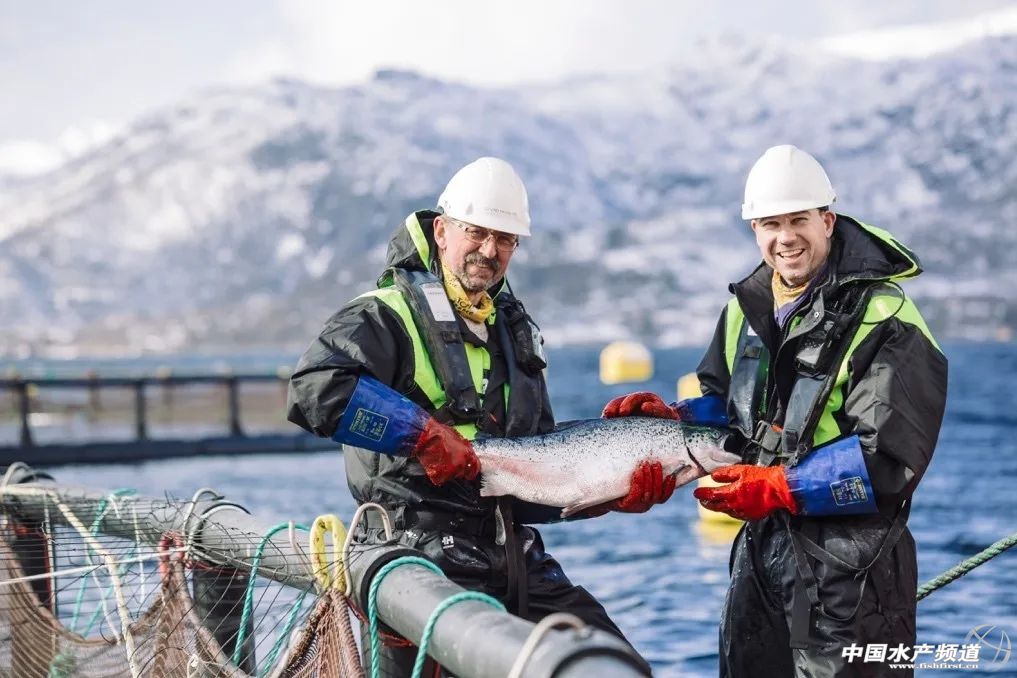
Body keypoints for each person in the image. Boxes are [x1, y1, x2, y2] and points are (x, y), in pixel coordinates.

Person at [287, 157, 664, 675]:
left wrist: (603, 494)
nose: (490, 250)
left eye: (505, 238)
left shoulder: (518, 333)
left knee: (613, 665)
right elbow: (314, 390)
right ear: (442, 231)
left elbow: (529, 475)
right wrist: (420, 434)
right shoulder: (383, 314)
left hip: (512, 556)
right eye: (477, 233)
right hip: (413, 558)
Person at [603, 145, 947, 677]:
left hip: (856, 574)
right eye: (770, 223)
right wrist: (675, 421)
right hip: (761, 558)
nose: (785, 237)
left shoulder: (887, 315)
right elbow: (728, 409)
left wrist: (779, 488)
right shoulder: (744, 310)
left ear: (827, 221)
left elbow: (890, 458)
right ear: (754, 230)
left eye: (798, 220)